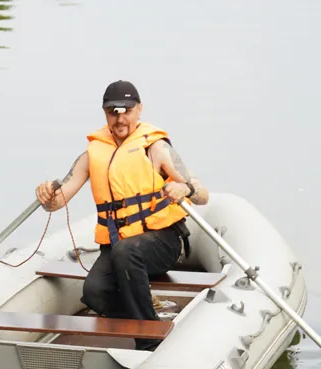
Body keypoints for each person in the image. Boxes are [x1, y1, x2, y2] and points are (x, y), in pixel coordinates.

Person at [34, 80, 209, 350]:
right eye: (112, 112)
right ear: (105, 113)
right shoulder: (92, 154)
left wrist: (184, 188)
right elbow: (58, 201)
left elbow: (202, 194)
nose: (120, 118)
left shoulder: (156, 148)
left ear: (139, 109)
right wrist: (47, 196)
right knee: (94, 294)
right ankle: (149, 313)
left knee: (127, 252)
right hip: (118, 246)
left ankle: (150, 341)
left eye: (126, 110)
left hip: (162, 242)